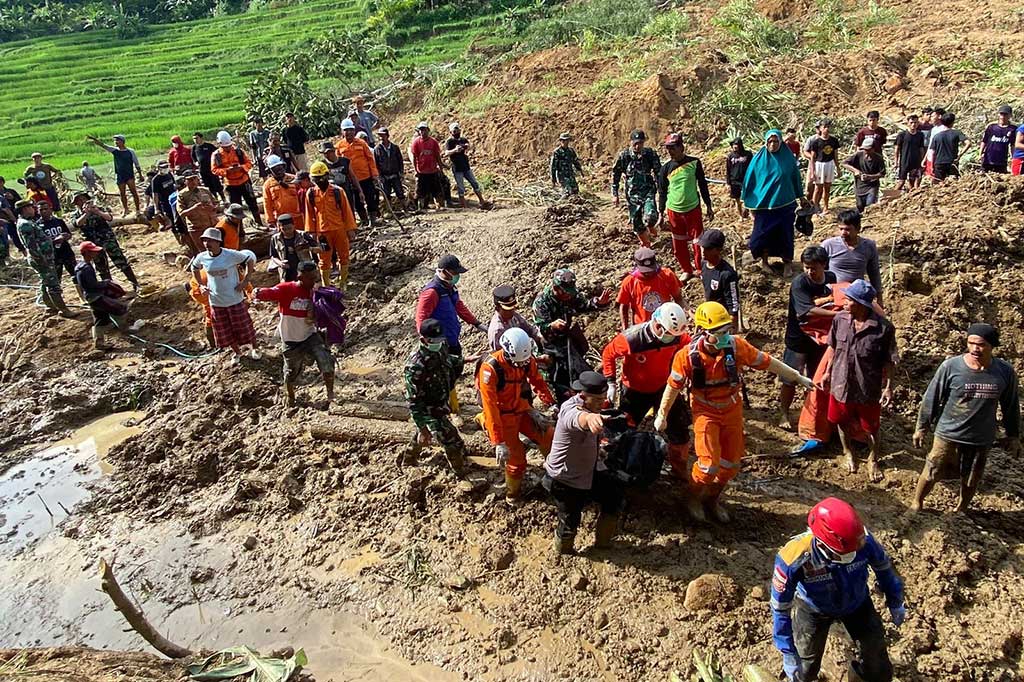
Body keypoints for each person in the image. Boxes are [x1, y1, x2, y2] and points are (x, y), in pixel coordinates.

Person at [656, 302, 813, 521]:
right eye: (718, 332)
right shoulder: (687, 356)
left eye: (726, 331)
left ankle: (711, 498)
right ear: (703, 332)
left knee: (731, 464)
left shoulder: (737, 347)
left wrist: (797, 376)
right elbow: (673, 387)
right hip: (705, 412)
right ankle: (691, 496)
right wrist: (662, 414)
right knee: (708, 465)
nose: (724, 336)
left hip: (731, 410)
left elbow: (767, 362)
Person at [771, 497, 906, 682]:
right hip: (813, 609)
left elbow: (884, 570)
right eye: (843, 554)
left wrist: (895, 600)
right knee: (805, 666)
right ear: (821, 543)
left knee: (876, 661)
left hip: (857, 604)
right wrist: (786, 650)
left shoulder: (863, 542)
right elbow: (780, 608)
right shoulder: (794, 557)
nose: (851, 557)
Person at [912, 323, 1020, 512]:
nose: (975, 349)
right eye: (971, 343)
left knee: (971, 477)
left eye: (981, 345)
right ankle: (917, 503)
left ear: (992, 346)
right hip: (948, 433)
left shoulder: (1004, 371)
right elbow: (932, 397)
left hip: (980, 437)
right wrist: (921, 427)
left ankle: (961, 509)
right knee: (932, 470)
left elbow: (1011, 406)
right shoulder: (951, 366)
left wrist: (1013, 436)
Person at [602, 302, 692, 479]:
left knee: (680, 429)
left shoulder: (676, 336)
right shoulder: (632, 339)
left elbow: (687, 348)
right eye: (668, 335)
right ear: (658, 325)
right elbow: (608, 354)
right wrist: (611, 382)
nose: (671, 339)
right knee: (624, 432)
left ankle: (679, 469)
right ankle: (626, 469)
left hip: (664, 388)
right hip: (634, 392)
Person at [820, 280, 897, 481]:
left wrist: (888, 387)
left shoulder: (883, 328)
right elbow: (833, 348)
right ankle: (848, 452)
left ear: (861, 304)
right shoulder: (840, 320)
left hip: (867, 388)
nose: (845, 303)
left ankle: (873, 458)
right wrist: (827, 372)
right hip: (841, 383)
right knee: (840, 420)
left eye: (849, 300)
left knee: (871, 427)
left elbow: (889, 361)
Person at [543, 371, 625, 554]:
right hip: (566, 479)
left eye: (603, 399)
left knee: (614, 497)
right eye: (596, 400)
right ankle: (563, 551)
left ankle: (603, 544)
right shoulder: (570, 410)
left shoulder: (593, 409)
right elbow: (579, 419)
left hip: (590, 470)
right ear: (582, 396)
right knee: (570, 519)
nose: (601, 404)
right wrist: (591, 419)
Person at [478, 327, 556, 505]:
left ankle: (554, 472)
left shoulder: (525, 359)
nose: (522, 366)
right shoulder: (491, 369)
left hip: (520, 408)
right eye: (518, 364)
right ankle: (512, 495)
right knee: (517, 459)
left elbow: (537, 381)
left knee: (549, 435)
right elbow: (491, 407)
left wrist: (548, 405)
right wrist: (498, 442)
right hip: (501, 415)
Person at [254, 260, 335, 406]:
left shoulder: (315, 292)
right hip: (291, 340)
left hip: (310, 336)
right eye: (310, 278)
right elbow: (271, 293)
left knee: (326, 361)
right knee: (291, 374)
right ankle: (290, 396)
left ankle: (330, 394)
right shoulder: (287, 289)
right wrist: (257, 293)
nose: (314, 280)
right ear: (300, 277)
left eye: (315, 276)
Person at [533, 268, 613, 404]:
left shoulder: (571, 295)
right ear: (556, 288)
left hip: (569, 339)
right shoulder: (541, 302)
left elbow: (584, 305)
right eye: (565, 293)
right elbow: (541, 327)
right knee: (560, 377)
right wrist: (552, 325)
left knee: (579, 370)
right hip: (551, 344)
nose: (568, 296)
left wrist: (598, 303)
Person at [779, 246, 837, 429]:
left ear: (824, 265)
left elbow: (836, 298)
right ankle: (784, 413)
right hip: (799, 339)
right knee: (790, 377)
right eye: (806, 267)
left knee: (815, 378)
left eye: (814, 267)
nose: (810, 271)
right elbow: (807, 311)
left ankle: (812, 415)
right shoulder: (800, 283)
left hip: (820, 340)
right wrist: (837, 315)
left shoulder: (831, 279)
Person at [414, 255, 488, 396]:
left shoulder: (449, 287)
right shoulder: (431, 292)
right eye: (455, 273)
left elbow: (459, 306)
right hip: (438, 341)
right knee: (442, 374)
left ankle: (448, 400)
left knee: (455, 369)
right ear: (444, 271)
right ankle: (443, 404)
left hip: (451, 338)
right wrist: (428, 342)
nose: (457, 276)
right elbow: (421, 318)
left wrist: (477, 323)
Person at [403, 318, 467, 475]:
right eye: (434, 341)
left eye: (440, 339)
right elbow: (414, 402)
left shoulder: (440, 345)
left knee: (429, 435)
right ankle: (460, 474)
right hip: (428, 408)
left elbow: (447, 360)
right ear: (423, 340)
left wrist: (465, 360)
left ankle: (408, 459)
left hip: (441, 400)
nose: (438, 343)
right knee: (451, 441)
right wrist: (422, 427)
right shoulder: (415, 366)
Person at [189, 227, 258, 363]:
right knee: (225, 330)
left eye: (210, 241)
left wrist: (245, 281)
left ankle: (254, 348)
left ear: (218, 242)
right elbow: (194, 268)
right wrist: (201, 285)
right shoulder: (202, 257)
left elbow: (249, 260)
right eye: (205, 240)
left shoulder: (230, 255)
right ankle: (237, 352)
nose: (207, 243)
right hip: (216, 301)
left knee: (245, 327)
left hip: (234, 299)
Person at [743, 129, 803, 276]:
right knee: (762, 235)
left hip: (785, 204)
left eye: (776, 141)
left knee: (786, 235)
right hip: (764, 206)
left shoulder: (788, 158)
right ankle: (764, 263)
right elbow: (749, 180)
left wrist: (801, 197)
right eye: (770, 141)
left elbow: (795, 178)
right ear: (765, 142)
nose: (773, 144)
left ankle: (787, 264)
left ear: (781, 141)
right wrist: (745, 201)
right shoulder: (758, 160)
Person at [657, 133, 713, 279]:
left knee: (698, 242)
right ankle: (686, 270)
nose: (670, 151)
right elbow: (662, 191)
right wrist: (660, 213)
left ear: (682, 147)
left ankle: (701, 269)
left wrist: (709, 205)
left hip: (693, 208)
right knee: (679, 243)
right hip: (674, 210)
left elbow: (702, 185)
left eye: (673, 148)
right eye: (668, 148)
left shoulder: (694, 163)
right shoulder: (665, 169)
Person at [16, 200, 77, 317]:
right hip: (42, 259)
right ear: (25, 209)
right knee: (53, 284)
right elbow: (32, 246)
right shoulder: (25, 224)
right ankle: (63, 310)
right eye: (31, 207)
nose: (34, 209)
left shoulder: (27, 222)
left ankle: (50, 306)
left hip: (44, 257)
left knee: (45, 282)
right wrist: (42, 261)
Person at [68, 192, 139, 290]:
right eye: (79, 200)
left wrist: (96, 211)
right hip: (93, 244)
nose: (82, 202)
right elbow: (78, 223)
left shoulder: (98, 208)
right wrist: (86, 214)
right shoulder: (76, 215)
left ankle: (135, 284)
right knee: (102, 268)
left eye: (83, 199)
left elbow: (109, 218)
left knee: (121, 261)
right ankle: (111, 289)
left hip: (107, 239)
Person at [305, 161, 357, 289]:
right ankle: (326, 284)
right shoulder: (311, 194)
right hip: (322, 233)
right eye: (316, 179)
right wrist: (311, 233)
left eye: (321, 178)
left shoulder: (338, 191)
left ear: (327, 176)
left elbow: (347, 211)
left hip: (339, 230)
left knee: (344, 256)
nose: (320, 181)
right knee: (324, 260)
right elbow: (309, 215)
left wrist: (350, 229)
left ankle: (343, 282)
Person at [820, 209, 882, 304]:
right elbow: (819, 270)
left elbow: (874, 273)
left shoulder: (869, 246)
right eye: (841, 229)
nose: (843, 233)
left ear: (858, 228)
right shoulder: (828, 245)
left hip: (857, 294)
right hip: (833, 293)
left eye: (848, 229)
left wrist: (879, 298)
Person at [76, 241, 130, 349]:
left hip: (90, 297)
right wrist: (105, 283)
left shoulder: (80, 266)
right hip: (96, 297)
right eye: (93, 252)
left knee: (101, 319)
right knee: (120, 308)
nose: (96, 254)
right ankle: (125, 331)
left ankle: (99, 343)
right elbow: (92, 285)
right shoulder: (87, 268)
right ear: (87, 253)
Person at [612, 130, 661, 247]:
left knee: (650, 218)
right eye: (635, 143)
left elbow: (659, 172)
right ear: (631, 142)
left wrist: (662, 189)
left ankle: (652, 229)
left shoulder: (650, 154)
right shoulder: (624, 156)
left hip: (648, 191)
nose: (638, 146)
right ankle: (646, 244)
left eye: (641, 143)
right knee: (637, 223)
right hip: (632, 195)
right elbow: (616, 174)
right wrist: (615, 194)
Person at [615, 246, 684, 330]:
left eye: (651, 270)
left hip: (666, 324)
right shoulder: (630, 281)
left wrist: (683, 317)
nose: (649, 274)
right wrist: (625, 329)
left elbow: (678, 298)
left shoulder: (667, 275)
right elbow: (624, 307)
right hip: (642, 327)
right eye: (645, 272)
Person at [211, 131, 263, 226]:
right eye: (225, 147)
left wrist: (241, 167)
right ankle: (240, 230)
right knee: (235, 209)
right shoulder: (216, 155)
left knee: (253, 204)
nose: (228, 148)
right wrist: (227, 171)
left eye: (229, 146)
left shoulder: (238, 151)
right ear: (220, 144)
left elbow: (249, 163)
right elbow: (214, 169)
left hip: (244, 182)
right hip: (230, 185)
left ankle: (259, 223)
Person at [335, 120, 381, 226]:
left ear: (354, 130)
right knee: (357, 202)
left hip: (366, 177)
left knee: (370, 198)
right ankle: (364, 220)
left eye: (351, 130)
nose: (349, 132)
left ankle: (372, 220)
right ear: (342, 131)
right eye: (346, 130)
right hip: (351, 181)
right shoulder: (339, 146)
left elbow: (370, 159)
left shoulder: (361, 143)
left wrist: (374, 174)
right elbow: (337, 164)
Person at [87, 134, 143, 215]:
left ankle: (138, 210)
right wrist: (95, 140)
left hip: (129, 175)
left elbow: (136, 163)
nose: (115, 142)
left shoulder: (130, 151)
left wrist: (140, 174)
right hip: (120, 175)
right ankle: (126, 209)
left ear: (122, 142)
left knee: (134, 192)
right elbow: (103, 146)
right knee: (122, 193)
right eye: (115, 140)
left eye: (117, 140)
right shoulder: (114, 150)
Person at [321, 141, 367, 225]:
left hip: (346, 190)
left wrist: (360, 191)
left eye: (328, 152)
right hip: (331, 193)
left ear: (333, 151)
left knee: (349, 209)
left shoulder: (344, 161)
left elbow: (353, 177)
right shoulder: (322, 164)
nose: (326, 155)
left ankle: (352, 227)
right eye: (324, 153)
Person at [444, 122, 488, 209]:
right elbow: (446, 153)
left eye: (457, 130)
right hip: (457, 167)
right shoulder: (450, 142)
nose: (456, 132)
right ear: (451, 132)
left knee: (474, 183)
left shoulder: (463, 140)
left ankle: (482, 201)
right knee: (461, 188)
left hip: (465, 166)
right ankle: (464, 207)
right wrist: (455, 150)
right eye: (454, 131)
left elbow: (470, 146)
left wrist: (466, 146)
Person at [488, 284, 544, 351]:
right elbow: (502, 357)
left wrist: (541, 337)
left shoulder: (512, 315)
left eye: (512, 308)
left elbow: (529, 329)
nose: (512, 311)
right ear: (497, 308)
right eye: (507, 310)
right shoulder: (497, 331)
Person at [699, 229, 740, 320]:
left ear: (718, 250)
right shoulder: (703, 264)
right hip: (710, 311)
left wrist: (731, 327)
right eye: (702, 247)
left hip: (722, 318)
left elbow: (733, 306)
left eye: (708, 248)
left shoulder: (727, 274)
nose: (703, 251)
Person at [177, 171, 218, 256]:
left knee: (219, 248)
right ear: (185, 181)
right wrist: (194, 208)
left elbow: (217, 205)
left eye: (194, 179)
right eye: (190, 180)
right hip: (197, 228)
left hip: (212, 224)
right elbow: (182, 213)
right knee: (204, 252)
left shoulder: (205, 190)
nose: (193, 181)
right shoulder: (182, 195)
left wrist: (213, 208)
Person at [269, 214, 319, 282]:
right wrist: (280, 263)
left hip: (304, 271)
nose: (287, 231)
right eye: (284, 229)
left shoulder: (303, 236)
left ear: (294, 225)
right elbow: (273, 256)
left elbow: (318, 248)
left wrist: (309, 249)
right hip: (286, 274)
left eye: (289, 228)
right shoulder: (275, 239)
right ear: (279, 227)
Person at [36, 200, 76, 286]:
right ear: (38, 211)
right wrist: (54, 240)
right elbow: (38, 242)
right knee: (57, 278)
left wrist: (65, 236)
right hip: (52, 255)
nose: (44, 211)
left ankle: (81, 295)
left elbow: (69, 234)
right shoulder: (37, 226)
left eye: (46, 209)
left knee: (75, 274)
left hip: (66, 251)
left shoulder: (58, 221)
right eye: (41, 210)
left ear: (50, 209)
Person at [410, 122, 446, 210]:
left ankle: (440, 206)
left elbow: (437, 156)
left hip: (432, 170)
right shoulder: (416, 142)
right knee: (420, 192)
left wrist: (441, 168)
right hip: (421, 171)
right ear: (419, 131)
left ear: (428, 130)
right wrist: (415, 170)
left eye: (424, 130)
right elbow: (414, 157)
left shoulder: (433, 142)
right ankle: (420, 208)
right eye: (421, 130)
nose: (423, 132)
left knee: (437, 190)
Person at [806, 119, 840, 213]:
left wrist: (838, 168)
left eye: (828, 127)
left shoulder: (834, 140)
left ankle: (826, 206)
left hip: (829, 164)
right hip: (819, 165)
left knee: (827, 187)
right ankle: (815, 206)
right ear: (820, 128)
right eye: (825, 127)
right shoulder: (816, 142)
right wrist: (812, 172)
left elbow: (835, 156)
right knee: (818, 188)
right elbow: (812, 158)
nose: (827, 129)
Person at [841, 139, 885, 212]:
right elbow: (844, 163)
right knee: (860, 206)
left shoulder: (878, 158)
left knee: (870, 206)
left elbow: (882, 173)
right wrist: (855, 171)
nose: (866, 152)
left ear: (873, 149)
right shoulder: (858, 155)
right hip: (859, 186)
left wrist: (870, 177)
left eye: (868, 150)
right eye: (865, 150)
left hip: (872, 186)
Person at [373, 127, 408, 214]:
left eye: (383, 135)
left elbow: (400, 160)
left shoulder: (395, 148)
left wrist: (401, 172)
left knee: (400, 193)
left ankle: (405, 209)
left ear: (387, 136)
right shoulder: (377, 149)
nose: (381, 137)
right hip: (384, 176)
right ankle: (390, 212)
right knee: (386, 195)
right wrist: (380, 176)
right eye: (380, 136)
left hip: (395, 174)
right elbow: (376, 163)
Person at [262, 156, 302, 229]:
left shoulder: (294, 179)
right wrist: (270, 220)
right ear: (269, 171)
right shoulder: (267, 185)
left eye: (280, 168)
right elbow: (267, 204)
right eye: (275, 169)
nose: (279, 171)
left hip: (298, 217)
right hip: (281, 219)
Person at [929, 112, 967, 181]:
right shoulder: (957, 133)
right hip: (952, 162)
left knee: (939, 184)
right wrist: (960, 155)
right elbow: (968, 143)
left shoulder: (936, 136)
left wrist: (932, 165)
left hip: (939, 163)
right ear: (952, 122)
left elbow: (933, 152)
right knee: (954, 183)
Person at [893, 114, 926, 192]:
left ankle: (912, 197)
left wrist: (922, 161)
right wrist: (896, 162)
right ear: (907, 123)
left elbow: (921, 149)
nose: (913, 124)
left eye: (915, 122)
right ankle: (891, 197)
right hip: (905, 162)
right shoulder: (902, 135)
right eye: (911, 122)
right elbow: (896, 149)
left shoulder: (920, 135)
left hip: (916, 162)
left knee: (915, 183)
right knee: (901, 182)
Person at [191, 132, 226, 202]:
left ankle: (223, 198)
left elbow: (218, 154)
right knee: (208, 186)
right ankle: (215, 199)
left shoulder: (209, 146)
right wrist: (196, 162)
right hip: (202, 170)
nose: (195, 140)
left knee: (217, 184)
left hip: (212, 169)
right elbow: (193, 157)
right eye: (194, 139)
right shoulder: (194, 148)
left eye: (196, 138)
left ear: (201, 138)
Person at [979, 105, 1015, 174]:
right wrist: (980, 153)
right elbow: (984, 141)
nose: (1002, 117)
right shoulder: (992, 127)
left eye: (1005, 114)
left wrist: (1013, 157)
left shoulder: (1012, 129)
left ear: (1010, 115)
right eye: (1001, 114)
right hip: (988, 159)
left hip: (1001, 161)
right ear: (998, 114)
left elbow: (1012, 145)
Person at [725, 138, 752, 218]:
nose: (735, 147)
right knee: (737, 200)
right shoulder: (730, 156)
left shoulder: (748, 155)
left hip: (746, 180)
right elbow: (728, 169)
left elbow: (753, 167)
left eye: (736, 145)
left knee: (747, 198)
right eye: (733, 145)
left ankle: (750, 214)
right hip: (734, 181)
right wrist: (728, 183)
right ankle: (741, 216)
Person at [550, 132, 583, 197]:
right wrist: (553, 179)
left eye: (567, 140)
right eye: (564, 140)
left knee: (575, 191)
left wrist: (580, 170)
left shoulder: (571, 151)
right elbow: (553, 167)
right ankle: (563, 204)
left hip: (570, 175)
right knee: (567, 192)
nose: (565, 142)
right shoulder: (557, 152)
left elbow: (575, 161)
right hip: (562, 176)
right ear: (561, 141)